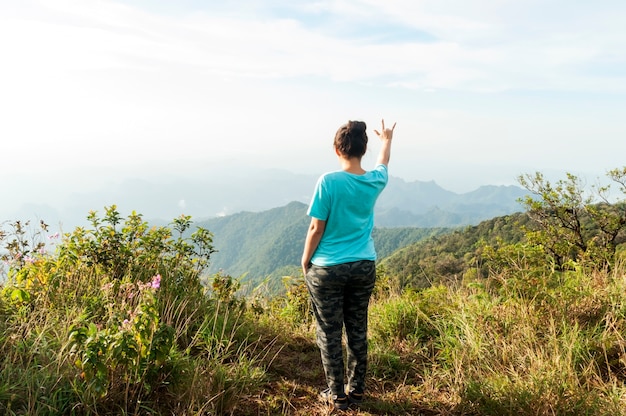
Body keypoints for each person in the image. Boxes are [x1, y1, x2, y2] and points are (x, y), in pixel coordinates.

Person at [301, 119, 396, 410]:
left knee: (329, 330)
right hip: (363, 264)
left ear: (336, 149)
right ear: (362, 149)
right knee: (357, 328)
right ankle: (356, 392)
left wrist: (306, 260)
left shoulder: (329, 181)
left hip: (327, 268)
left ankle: (336, 394)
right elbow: (383, 163)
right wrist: (387, 140)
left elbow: (317, 227)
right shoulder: (375, 180)